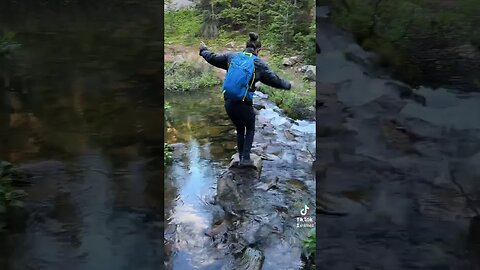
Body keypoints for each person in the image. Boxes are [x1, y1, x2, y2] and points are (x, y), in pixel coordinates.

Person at [199, 32, 292, 167]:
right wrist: (288, 85)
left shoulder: (232, 57)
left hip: (229, 103)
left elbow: (213, 58)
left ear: (246, 46)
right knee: (250, 128)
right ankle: (246, 160)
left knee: (240, 128)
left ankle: (241, 157)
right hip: (243, 104)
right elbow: (274, 80)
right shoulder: (258, 63)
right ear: (258, 50)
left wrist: (203, 51)